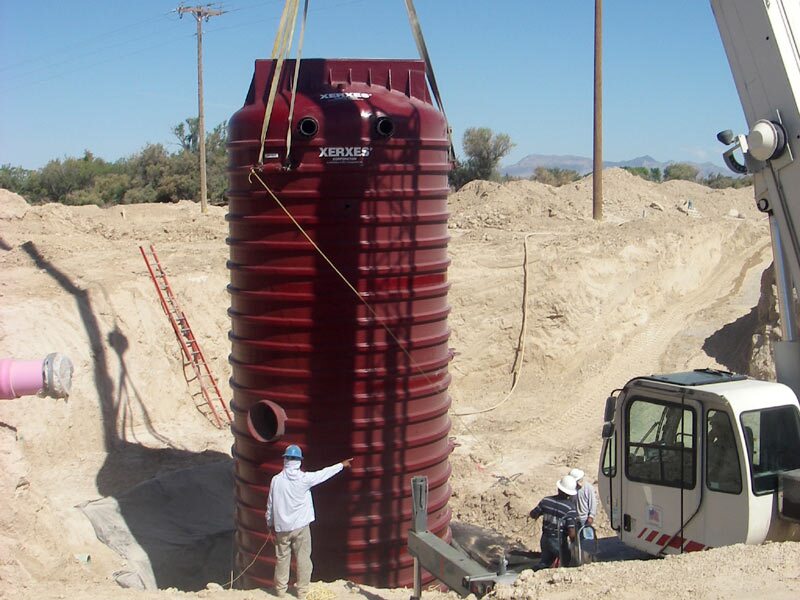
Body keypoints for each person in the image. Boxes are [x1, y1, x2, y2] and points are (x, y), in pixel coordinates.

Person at [265, 444, 353, 599]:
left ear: (285, 460)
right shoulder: (304, 479)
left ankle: (280, 591)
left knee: (282, 559)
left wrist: (269, 522)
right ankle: (302, 592)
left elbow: (270, 504)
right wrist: (341, 465)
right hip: (300, 527)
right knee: (303, 559)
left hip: (281, 528)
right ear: (299, 461)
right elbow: (323, 474)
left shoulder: (276, 481)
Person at [529, 475, 578, 569]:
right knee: (566, 562)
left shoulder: (546, 501)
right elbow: (571, 532)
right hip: (559, 540)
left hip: (545, 538)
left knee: (545, 562)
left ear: (559, 488)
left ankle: (536, 575)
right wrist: (574, 543)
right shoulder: (570, 508)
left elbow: (533, 514)